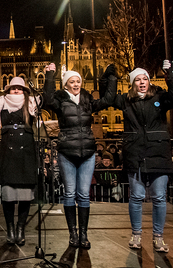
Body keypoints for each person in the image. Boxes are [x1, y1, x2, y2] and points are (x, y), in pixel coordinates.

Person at [41, 62, 117, 249]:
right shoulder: (60, 100)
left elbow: (107, 100)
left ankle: (83, 234)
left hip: (88, 152)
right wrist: (50, 75)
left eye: (78, 81)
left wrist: (111, 78)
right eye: (72, 81)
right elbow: (47, 99)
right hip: (67, 151)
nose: (76, 84)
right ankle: (72, 233)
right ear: (66, 84)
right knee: (69, 194)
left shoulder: (87, 100)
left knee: (83, 195)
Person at [112, 61, 173, 253]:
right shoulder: (126, 100)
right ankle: (136, 234)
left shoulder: (160, 96)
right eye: (138, 80)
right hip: (136, 154)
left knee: (159, 197)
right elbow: (108, 97)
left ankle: (158, 237)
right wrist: (109, 78)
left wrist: (172, 74)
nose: (142, 82)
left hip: (158, 152)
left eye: (145, 79)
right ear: (132, 84)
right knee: (136, 196)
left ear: (149, 82)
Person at [0, 76, 40, 246]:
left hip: (26, 153)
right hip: (8, 154)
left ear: (25, 90)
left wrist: (49, 75)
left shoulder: (32, 103)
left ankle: (21, 228)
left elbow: (47, 96)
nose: (17, 91)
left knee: (25, 196)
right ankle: (10, 229)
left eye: (20, 88)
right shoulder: (1, 102)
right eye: (13, 88)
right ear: (8, 90)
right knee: (8, 195)